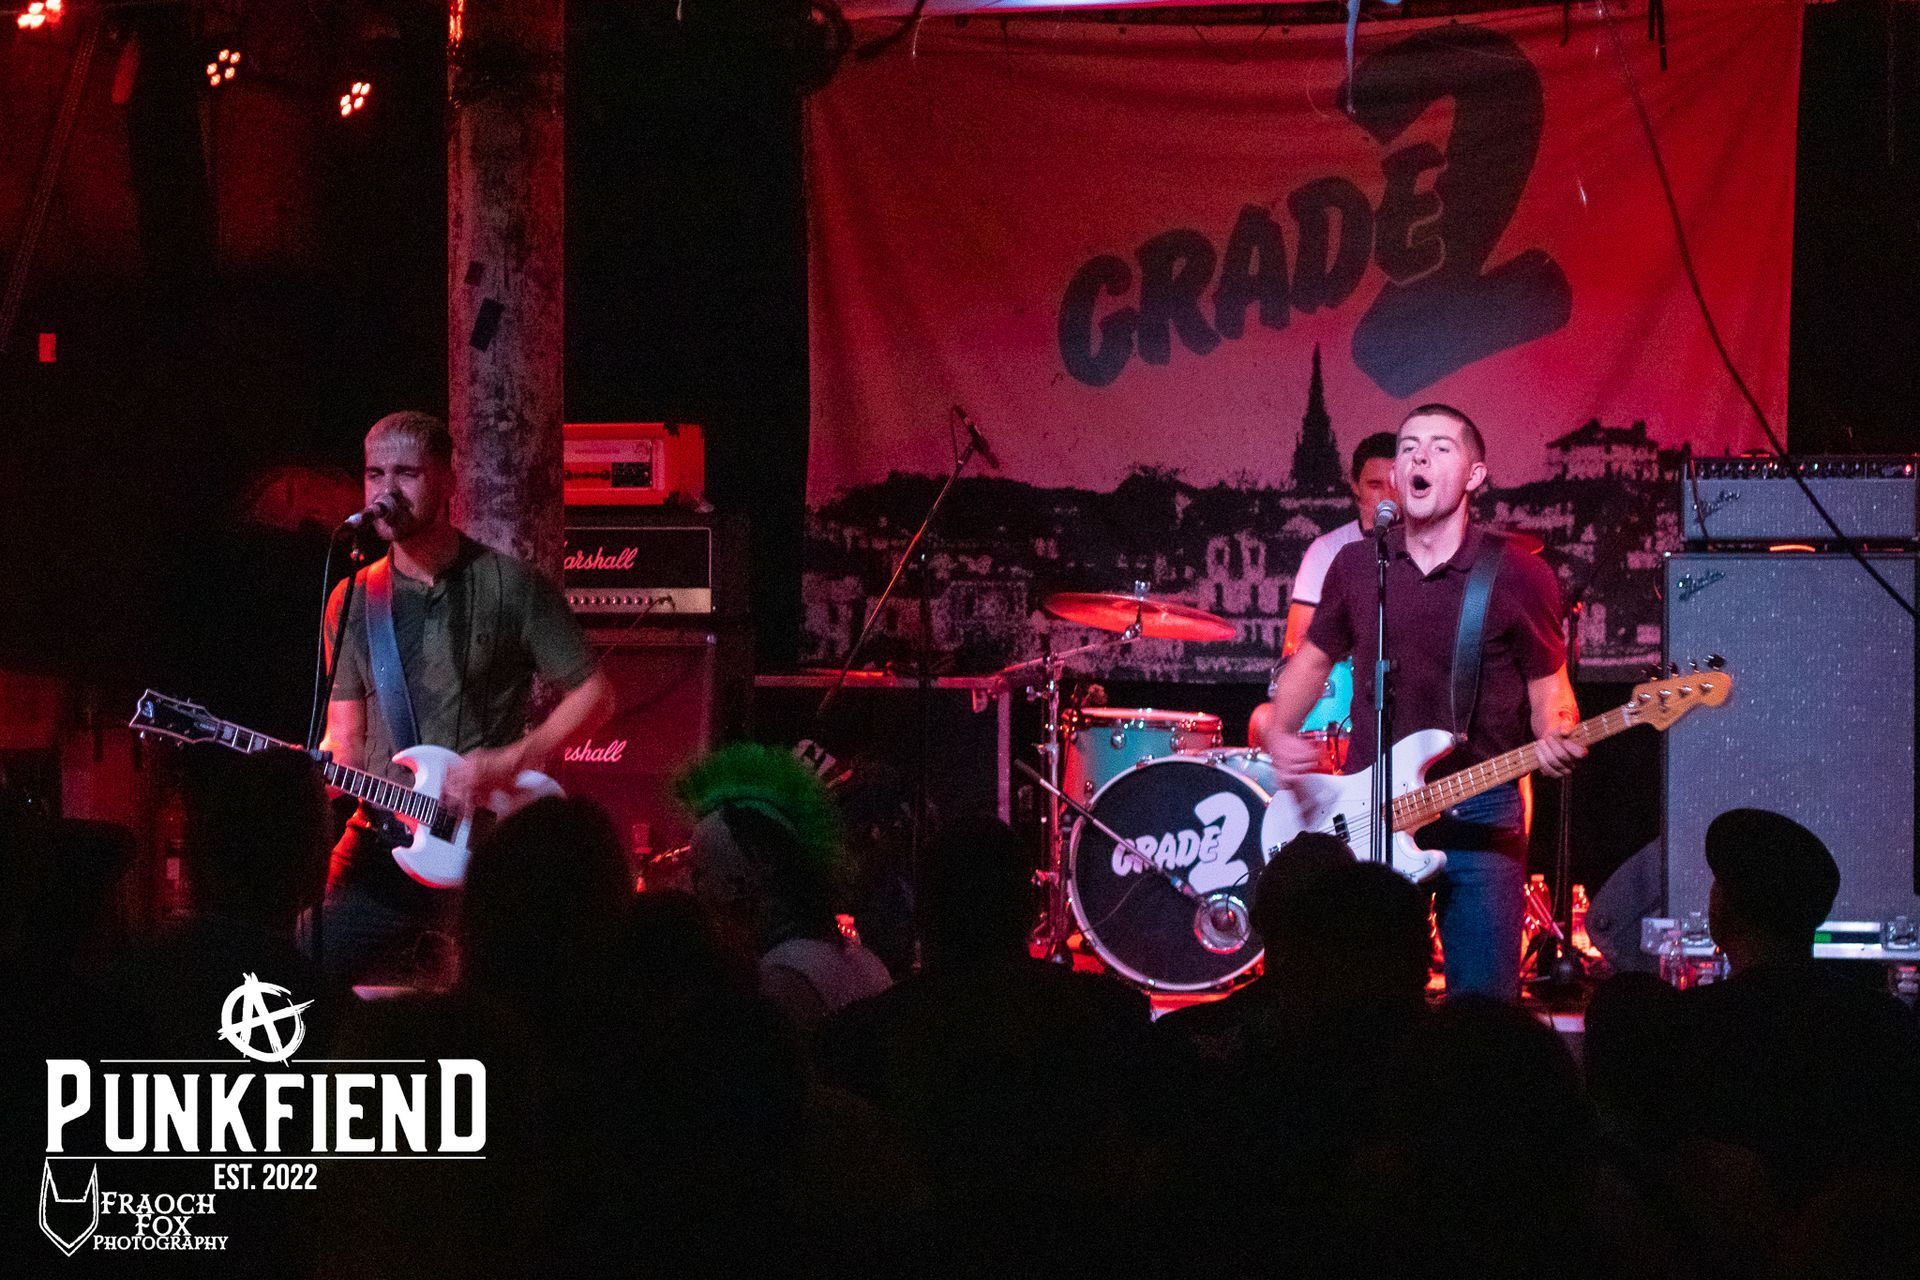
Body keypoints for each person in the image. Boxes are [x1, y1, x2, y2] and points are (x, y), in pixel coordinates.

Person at [1260, 404, 1584, 1000]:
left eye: (1440, 447)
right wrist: (1278, 731)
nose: (1420, 457)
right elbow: (1312, 658)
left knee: (1482, 1010)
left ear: (1475, 474)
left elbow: (1550, 691)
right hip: (1372, 805)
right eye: (1409, 446)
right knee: (1366, 1003)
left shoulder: (1518, 575)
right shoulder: (1359, 566)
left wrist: (1557, 730)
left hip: (1480, 807)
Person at [316, 410, 615, 984]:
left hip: (484, 848)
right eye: (375, 474)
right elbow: (345, 744)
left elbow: (596, 695)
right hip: (381, 842)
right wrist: (306, 770)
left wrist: (507, 761)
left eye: (406, 474)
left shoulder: (511, 586)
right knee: (298, 970)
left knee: (508, 994)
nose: (386, 491)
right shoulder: (350, 599)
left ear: (448, 480)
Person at [1248, 432, 1398, 749]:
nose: (1387, 496)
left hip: (1404, 694)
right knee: (1262, 720)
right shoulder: (1328, 549)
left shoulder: (1424, 550)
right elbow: (1296, 642)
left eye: (1395, 484)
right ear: (1355, 486)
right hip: (1341, 694)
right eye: (1375, 485)